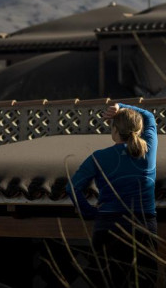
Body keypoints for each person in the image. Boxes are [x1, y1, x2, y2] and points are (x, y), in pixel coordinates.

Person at [66, 102, 159, 286]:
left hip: (108, 226)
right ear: (139, 130)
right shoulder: (148, 150)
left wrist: (90, 212)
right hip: (143, 226)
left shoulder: (99, 157)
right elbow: (149, 116)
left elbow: (72, 188)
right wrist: (120, 105)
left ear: (115, 130)